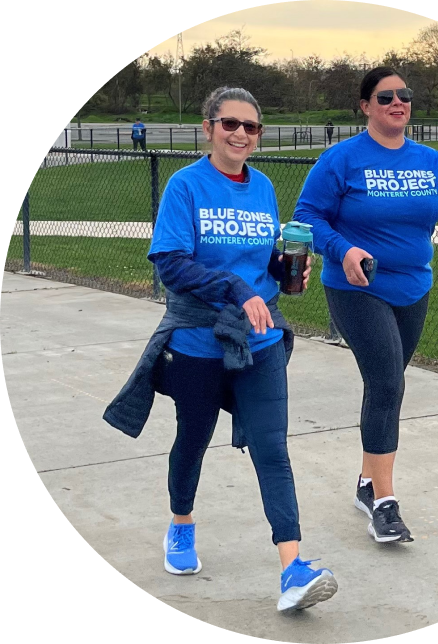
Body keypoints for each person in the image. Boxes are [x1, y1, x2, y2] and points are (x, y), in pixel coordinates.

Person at [103, 86, 337, 612]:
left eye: (251, 127)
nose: (240, 134)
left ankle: (293, 569)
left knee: (272, 449)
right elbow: (171, 262)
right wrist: (238, 289)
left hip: (262, 340)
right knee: (193, 437)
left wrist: (287, 271)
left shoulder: (264, 188)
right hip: (198, 342)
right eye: (230, 123)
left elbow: (263, 266)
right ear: (208, 127)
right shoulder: (186, 186)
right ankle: (181, 525)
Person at [293, 66, 438, 544]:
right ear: (366, 106)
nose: (398, 102)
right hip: (356, 288)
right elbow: (307, 216)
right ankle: (385, 503)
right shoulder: (342, 159)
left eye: (404, 95)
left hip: (414, 288)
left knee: (387, 386)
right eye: (385, 96)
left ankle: (365, 483)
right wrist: (343, 249)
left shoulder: (431, 160)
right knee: (387, 382)